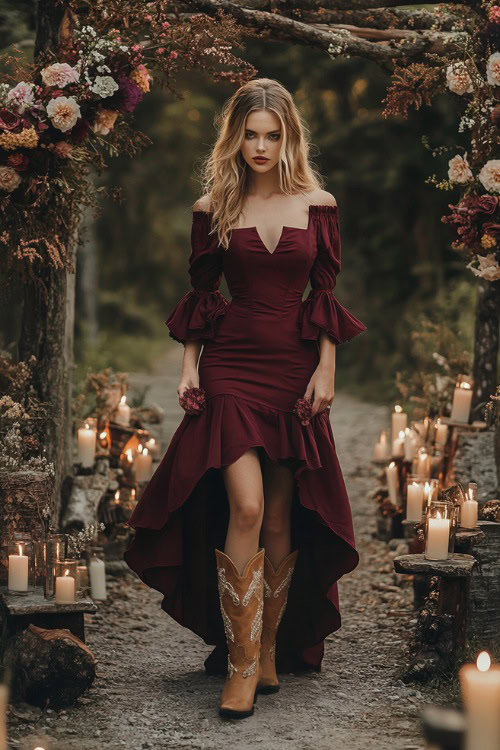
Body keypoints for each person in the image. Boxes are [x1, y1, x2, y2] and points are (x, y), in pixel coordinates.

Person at [124, 77, 367, 720]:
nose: (260, 146)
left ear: (288, 138)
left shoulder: (319, 203)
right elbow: (203, 296)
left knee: (284, 515)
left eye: (272, 135)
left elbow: (323, 295)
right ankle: (237, 664)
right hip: (231, 366)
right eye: (250, 134)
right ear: (235, 138)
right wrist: (190, 366)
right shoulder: (213, 207)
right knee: (249, 505)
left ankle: (265, 651)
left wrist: (326, 369)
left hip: (293, 368)